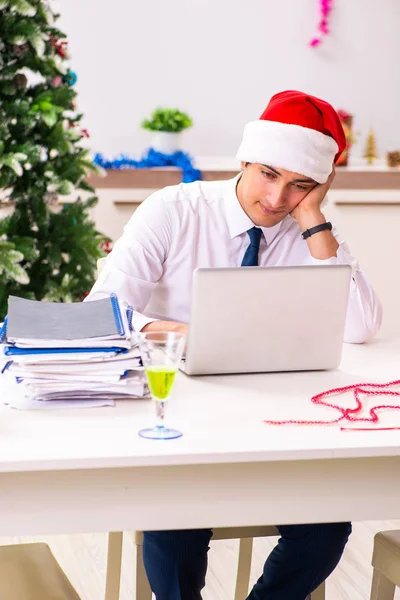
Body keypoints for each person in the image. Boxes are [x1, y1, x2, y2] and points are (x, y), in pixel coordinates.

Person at [87, 90, 382, 599]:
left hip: (278, 425)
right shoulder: (175, 210)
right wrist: (184, 333)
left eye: (300, 186)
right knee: (176, 525)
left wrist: (314, 219)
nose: (276, 199)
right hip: (181, 419)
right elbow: (104, 312)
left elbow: (360, 326)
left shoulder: (307, 231)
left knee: (326, 529)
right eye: (268, 174)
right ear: (243, 160)